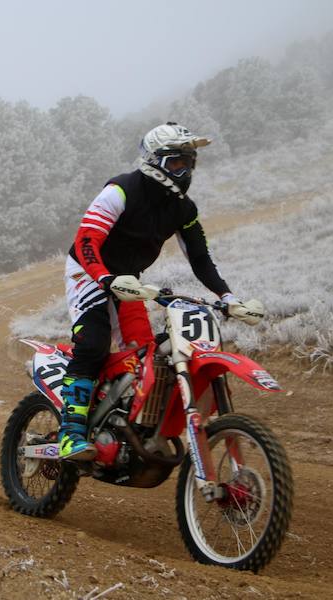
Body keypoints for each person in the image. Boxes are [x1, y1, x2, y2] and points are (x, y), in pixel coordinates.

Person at [58, 122, 262, 460]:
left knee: (145, 354)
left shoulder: (183, 209)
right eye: (177, 163)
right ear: (155, 161)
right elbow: (86, 241)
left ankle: (124, 422)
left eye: (189, 163)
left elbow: (200, 258)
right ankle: (70, 433)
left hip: (128, 281)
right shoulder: (121, 190)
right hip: (88, 270)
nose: (185, 171)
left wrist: (228, 298)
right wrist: (105, 279)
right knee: (93, 343)